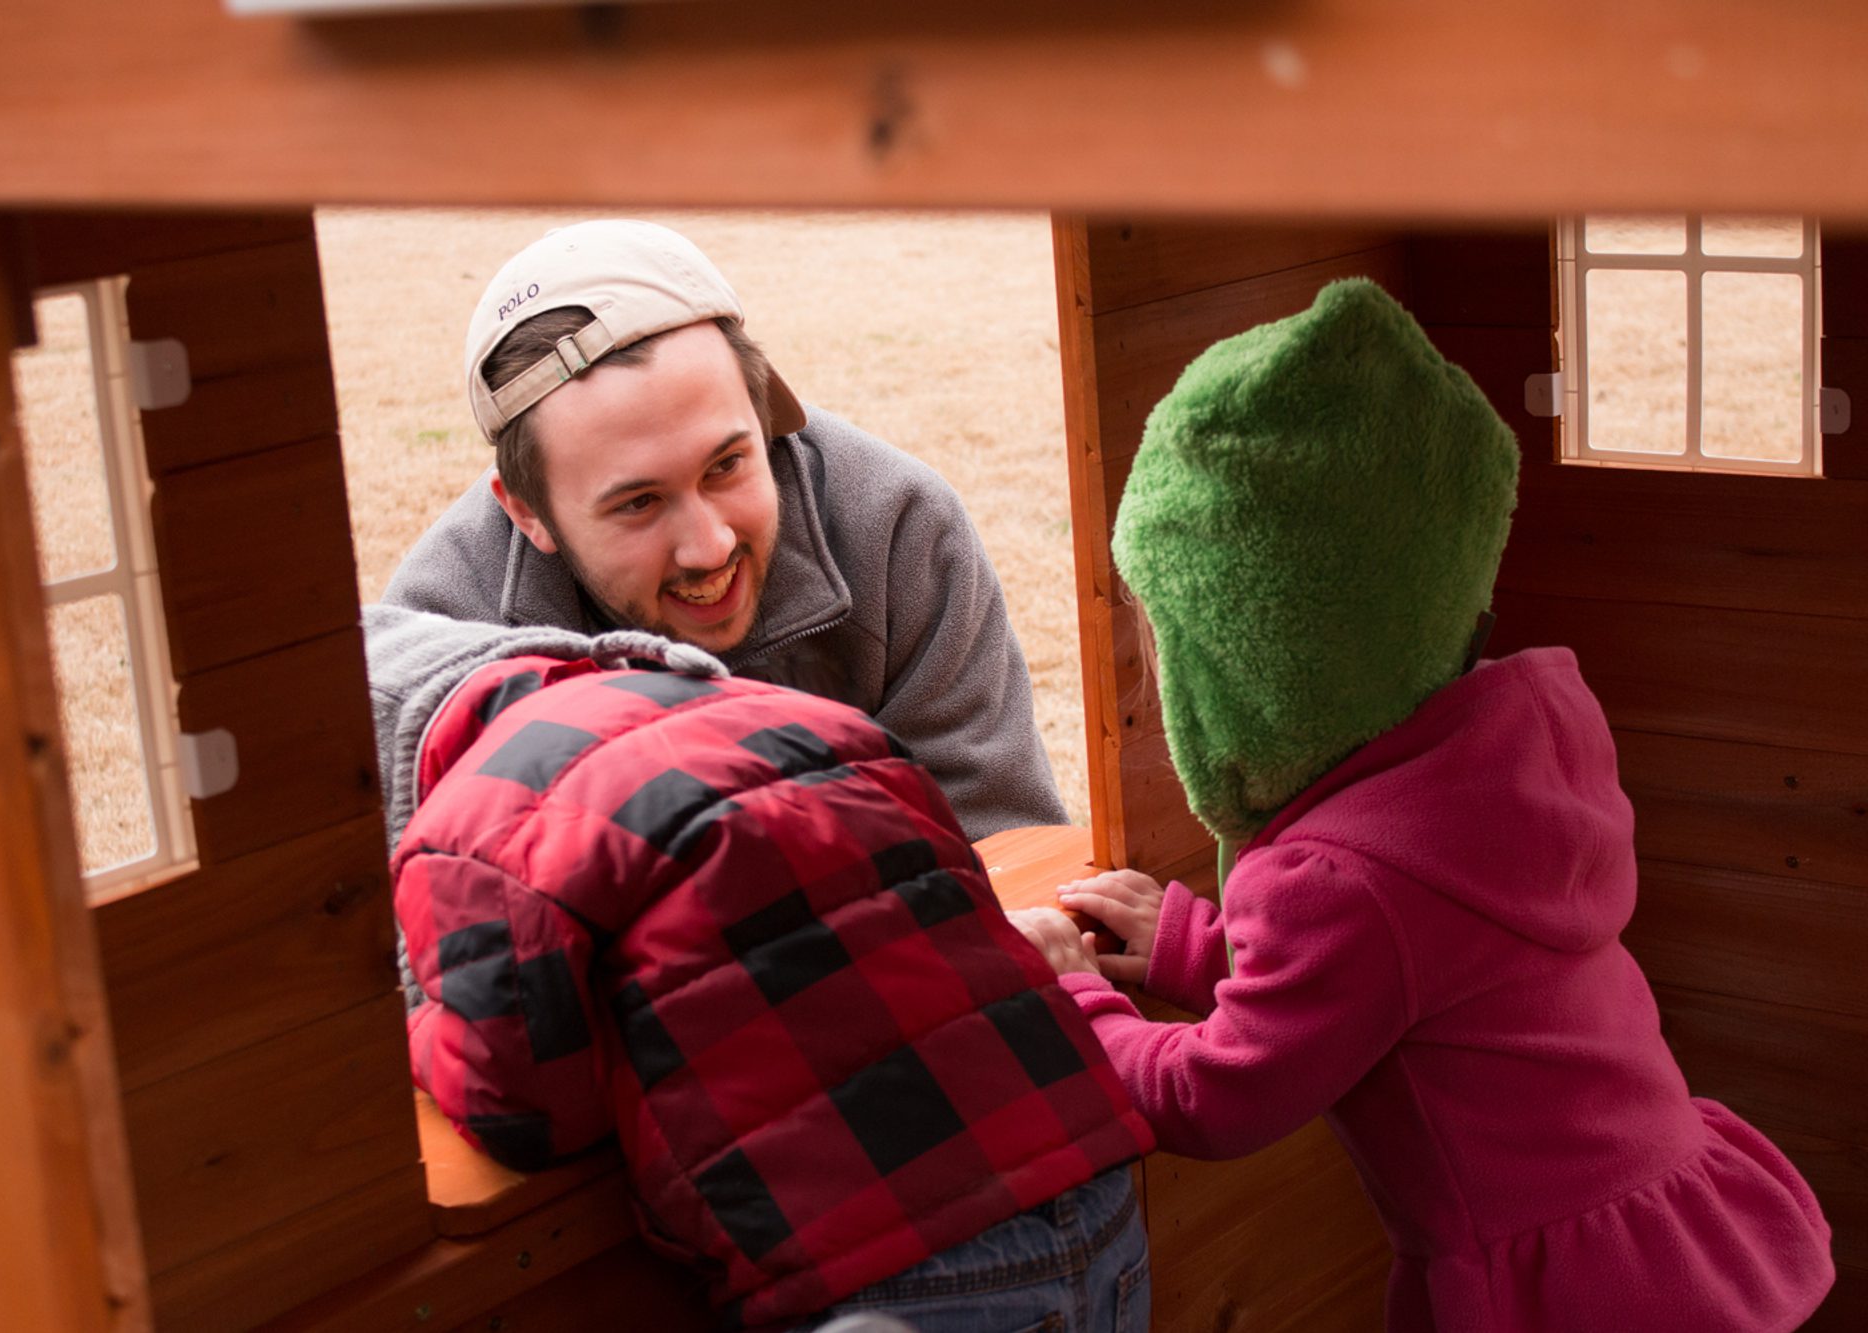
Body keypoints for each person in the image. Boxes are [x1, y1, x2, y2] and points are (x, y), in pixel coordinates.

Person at [1008, 280, 1835, 1331]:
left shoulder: (1343, 881)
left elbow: (1219, 1096)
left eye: (1165, 639)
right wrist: (1187, 949)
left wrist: (1076, 998)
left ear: (1261, 660)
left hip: (1567, 1295)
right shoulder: (1494, 776)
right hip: (1664, 1239)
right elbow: (1394, 983)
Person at [385, 624, 1154, 1332]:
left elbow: (520, 1109)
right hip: (1100, 1204)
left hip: (887, 1275)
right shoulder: (796, 714)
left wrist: (413, 1031)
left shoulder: (471, 823)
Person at [369, 218, 1065, 846]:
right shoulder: (446, 645)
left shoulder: (898, 531)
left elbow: (1000, 849)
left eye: (727, 464)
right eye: (638, 503)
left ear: (763, 412)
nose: (710, 548)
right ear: (526, 511)